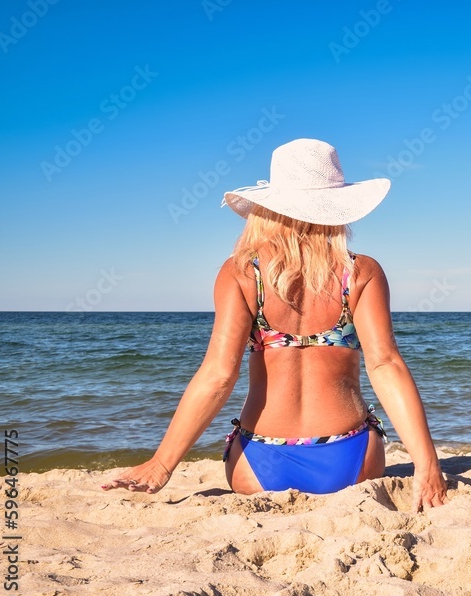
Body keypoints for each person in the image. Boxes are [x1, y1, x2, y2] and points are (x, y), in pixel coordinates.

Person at [102, 138, 448, 511]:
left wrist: (162, 465)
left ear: (269, 207)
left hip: (258, 464)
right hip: (350, 458)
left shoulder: (241, 273)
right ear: (337, 209)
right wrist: (427, 464)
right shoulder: (360, 272)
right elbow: (385, 365)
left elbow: (218, 375)